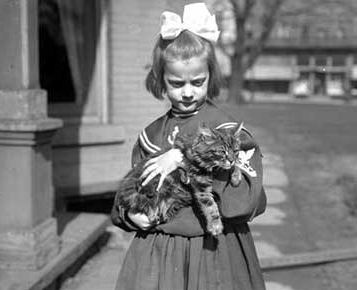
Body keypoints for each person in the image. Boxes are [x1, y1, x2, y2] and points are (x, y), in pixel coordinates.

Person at [111, 3, 267, 289]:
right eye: (176, 83)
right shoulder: (151, 134)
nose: (186, 92)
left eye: (197, 82)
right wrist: (130, 215)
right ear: (161, 81)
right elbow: (129, 189)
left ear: (211, 76)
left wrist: (185, 158)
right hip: (159, 253)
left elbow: (247, 201)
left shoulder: (227, 130)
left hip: (214, 253)